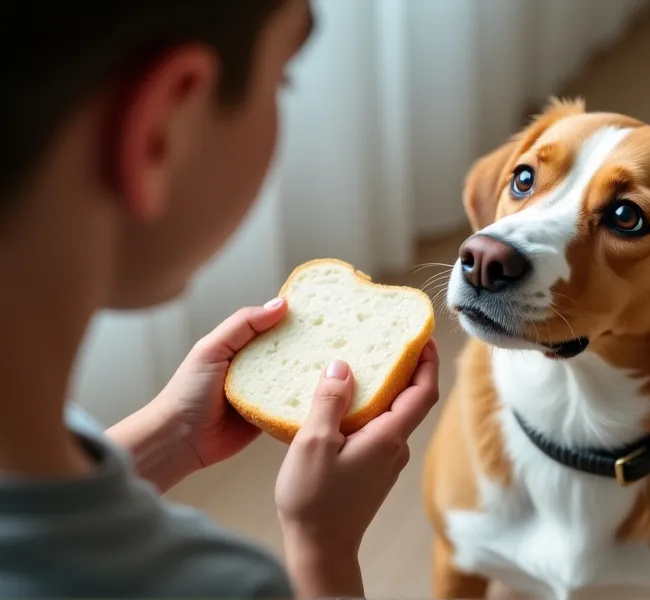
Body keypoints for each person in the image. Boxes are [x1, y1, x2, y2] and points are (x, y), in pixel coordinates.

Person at [0, 0, 440, 598]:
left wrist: (170, 437)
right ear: (163, 128)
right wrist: (322, 546)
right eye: (281, 79)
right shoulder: (219, 585)